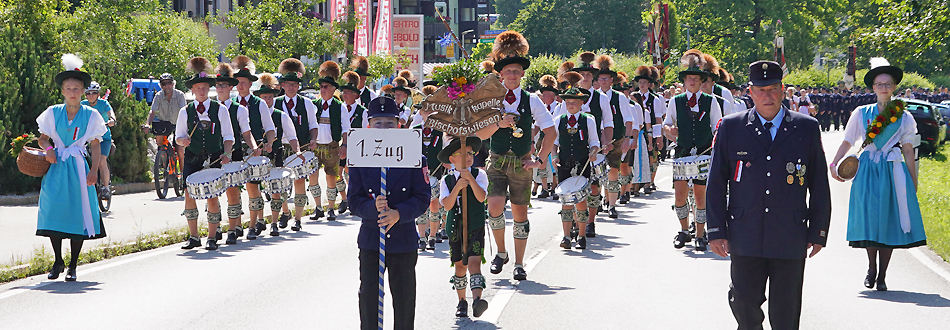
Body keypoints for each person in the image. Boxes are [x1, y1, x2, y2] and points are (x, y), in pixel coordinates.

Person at [707, 60, 831, 330]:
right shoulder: (731, 127)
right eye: (761, 90)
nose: (767, 96)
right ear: (750, 92)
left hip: (789, 232)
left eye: (773, 89)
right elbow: (716, 182)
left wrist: (818, 230)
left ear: (783, 90)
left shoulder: (806, 127)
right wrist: (716, 229)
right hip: (745, 231)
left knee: (786, 311)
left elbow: (818, 184)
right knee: (743, 302)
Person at [830, 58, 927, 291]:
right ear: (873, 88)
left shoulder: (904, 116)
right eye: (879, 84)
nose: (884, 88)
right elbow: (847, 141)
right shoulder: (861, 112)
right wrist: (834, 163)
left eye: (888, 84)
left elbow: (907, 150)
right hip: (866, 171)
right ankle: (871, 266)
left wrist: (912, 181)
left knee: (888, 220)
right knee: (869, 218)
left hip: (893, 171)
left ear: (894, 87)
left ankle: (882, 274)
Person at [473, 31, 556, 281]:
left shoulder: (532, 100)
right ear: (501, 74)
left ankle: (519, 263)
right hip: (497, 160)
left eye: (516, 71)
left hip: (522, 163)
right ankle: (501, 252)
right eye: (507, 71)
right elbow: (480, 132)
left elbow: (550, 132)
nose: (511, 75)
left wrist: (539, 160)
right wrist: (498, 123)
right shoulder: (491, 99)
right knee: (494, 206)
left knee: (520, 214)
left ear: (522, 75)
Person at [349, 97, 430, 330]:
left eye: (390, 123)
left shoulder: (415, 156)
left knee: (404, 300)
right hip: (372, 238)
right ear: (368, 126)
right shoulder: (359, 157)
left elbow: (422, 197)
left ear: (400, 126)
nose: (384, 128)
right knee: (369, 298)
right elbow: (354, 200)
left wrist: (398, 213)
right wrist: (372, 209)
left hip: (403, 239)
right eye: (378, 124)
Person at [37, 54, 108, 281]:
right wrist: (48, 149)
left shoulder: (92, 115)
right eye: (68, 88)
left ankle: (73, 265)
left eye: (77, 88)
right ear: (63, 91)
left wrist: (94, 169)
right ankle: (58, 260)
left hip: (78, 167)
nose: (73, 92)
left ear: (83, 91)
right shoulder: (52, 112)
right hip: (56, 167)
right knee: (54, 210)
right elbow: (43, 138)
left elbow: (95, 145)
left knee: (79, 212)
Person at [663, 49, 722, 251]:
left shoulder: (711, 101)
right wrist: (670, 130)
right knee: (680, 195)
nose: (692, 82)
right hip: (682, 153)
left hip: (704, 152)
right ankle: (683, 231)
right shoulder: (675, 101)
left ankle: (699, 234)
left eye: (696, 79)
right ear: (684, 81)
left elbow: (718, 127)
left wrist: (716, 147)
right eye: (689, 79)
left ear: (701, 81)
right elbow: (666, 125)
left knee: (700, 196)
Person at [175, 57, 235, 250]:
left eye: (204, 87)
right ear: (192, 90)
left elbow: (228, 136)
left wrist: (226, 153)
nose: (201, 91)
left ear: (208, 89)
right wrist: (182, 141)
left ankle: (211, 237)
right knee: (189, 195)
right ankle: (193, 237)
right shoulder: (185, 111)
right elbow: (178, 137)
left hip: (213, 157)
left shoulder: (221, 109)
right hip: (192, 158)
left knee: (212, 196)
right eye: (197, 88)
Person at [215, 62, 268, 245]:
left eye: (224, 85)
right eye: (218, 85)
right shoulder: (210, 107)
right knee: (214, 194)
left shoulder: (241, 109)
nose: (220, 88)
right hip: (215, 155)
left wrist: (255, 147)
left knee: (237, 191)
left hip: (237, 153)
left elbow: (247, 133)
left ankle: (248, 226)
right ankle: (223, 227)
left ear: (231, 87)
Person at [438, 136, 490, 318]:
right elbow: (447, 205)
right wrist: (457, 187)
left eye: (470, 153)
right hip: (455, 227)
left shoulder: (480, 175)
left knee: (475, 262)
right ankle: (461, 301)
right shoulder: (447, 180)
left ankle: (477, 300)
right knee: (460, 266)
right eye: (463, 154)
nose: (468, 157)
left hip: (474, 224)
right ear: (452, 159)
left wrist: (470, 180)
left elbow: (481, 197)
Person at [231, 55, 279, 239]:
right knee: (234, 189)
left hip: (254, 151)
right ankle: (235, 226)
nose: (240, 86)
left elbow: (270, 129)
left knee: (252, 188)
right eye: (238, 82)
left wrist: (268, 143)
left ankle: (252, 225)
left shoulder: (258, 104)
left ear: (250, 84)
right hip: (235, 151)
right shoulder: (231, 103)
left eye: (243, 82)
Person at [552, 80, 600, 249]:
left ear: (581, 104)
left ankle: (581, 236)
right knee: (565, 201)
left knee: (581, 201)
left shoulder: (589, 120)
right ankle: (566, 236)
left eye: (574, 103)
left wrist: (593, 152)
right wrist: (554, 156)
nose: (571, 105)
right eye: (568, 103)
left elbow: (594, 142)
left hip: (582, 165)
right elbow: (554, 141)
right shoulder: (558, 120)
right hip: (564, 164)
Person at [274, 58, 318, 234]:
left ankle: (298, 219)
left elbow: (313, 125)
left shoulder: (306, 103)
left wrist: (313, 139)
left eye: (294, 84)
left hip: (301, 146)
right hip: (281, 147)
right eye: (288, 84)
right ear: (282, 85)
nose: (291, 87)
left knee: (299, 181)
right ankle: (285, 211)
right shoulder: (276, 103)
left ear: (298, 86)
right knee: (281, 182)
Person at [254, 73, 302, 235]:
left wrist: (297, 151)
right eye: (264, 98)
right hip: (258, 157)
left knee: (275, 189)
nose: (267, 101)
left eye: (269, 97)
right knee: (258, 189)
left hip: (276, 155)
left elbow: (292, 136)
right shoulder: (253, 116)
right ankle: (260, 220)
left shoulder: (281, 115)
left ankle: (274, 223)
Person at [594, 54, 637, 221]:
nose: (604, 81)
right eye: (601, 78)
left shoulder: (619, 97)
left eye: (607, 78)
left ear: (612, 80)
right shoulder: (593, 96)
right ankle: (597, 201)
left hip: (616, 138)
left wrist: (627, 139)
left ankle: (611, 205)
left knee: (613, 170)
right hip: (596, 139)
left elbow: (628, 119)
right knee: (597, 172)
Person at [309, 60, 350, 222]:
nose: (323, 90)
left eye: (326, 87)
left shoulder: (340, 106)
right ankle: (318, 207)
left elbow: (346, 128)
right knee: (312, 177)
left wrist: (344, 146)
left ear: (333, 89)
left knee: (331, 177)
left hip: (332, 146)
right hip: (315, 146)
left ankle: (331, 208)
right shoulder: (314, 105)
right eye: (321, 87)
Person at [337, 70, 370, 218]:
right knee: (336, 174)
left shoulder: (363, 111)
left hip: (356, 147)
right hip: (340, 146)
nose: (345, 94)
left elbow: (364, 132)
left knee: (351, 174)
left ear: (356, 95)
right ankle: (344, 198)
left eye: (349, 92)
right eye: (344, 92)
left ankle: (352, 200)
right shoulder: (339, 108)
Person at [142, 72, 187, 170]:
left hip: (178, 124)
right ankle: (163, 163)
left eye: (169, 83)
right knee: (160, 143)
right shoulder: (158, 96)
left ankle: (184, 175)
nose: (167, 86)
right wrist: (147, 124)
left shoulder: (180, 95)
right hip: (164, 125)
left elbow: (184, 111)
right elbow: (152, 111)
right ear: (161, 85)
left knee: (179, 150)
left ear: (173, 84)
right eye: (164, 84)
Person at [81, 81, 115, 198]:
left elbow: (111, 114)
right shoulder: (82, 104)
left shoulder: (103, 103)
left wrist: (111, 120)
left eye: (93, 93)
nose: (91, 95)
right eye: (88, 93)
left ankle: (106, 188)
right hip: (87, 138)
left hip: (103, 138)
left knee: (101, 161)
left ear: (98, 94)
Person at [532, 74, 561, 199]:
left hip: (558, 139)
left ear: (552, 94)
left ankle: (555, 188)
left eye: (546, 93)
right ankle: (545, 188)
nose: (543, 96)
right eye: (543, 93)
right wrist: (531, 138)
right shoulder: (542, 108)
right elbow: (537, 125)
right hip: (543, 138)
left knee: (556, 163)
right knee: (541, 162)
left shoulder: (560, 107)